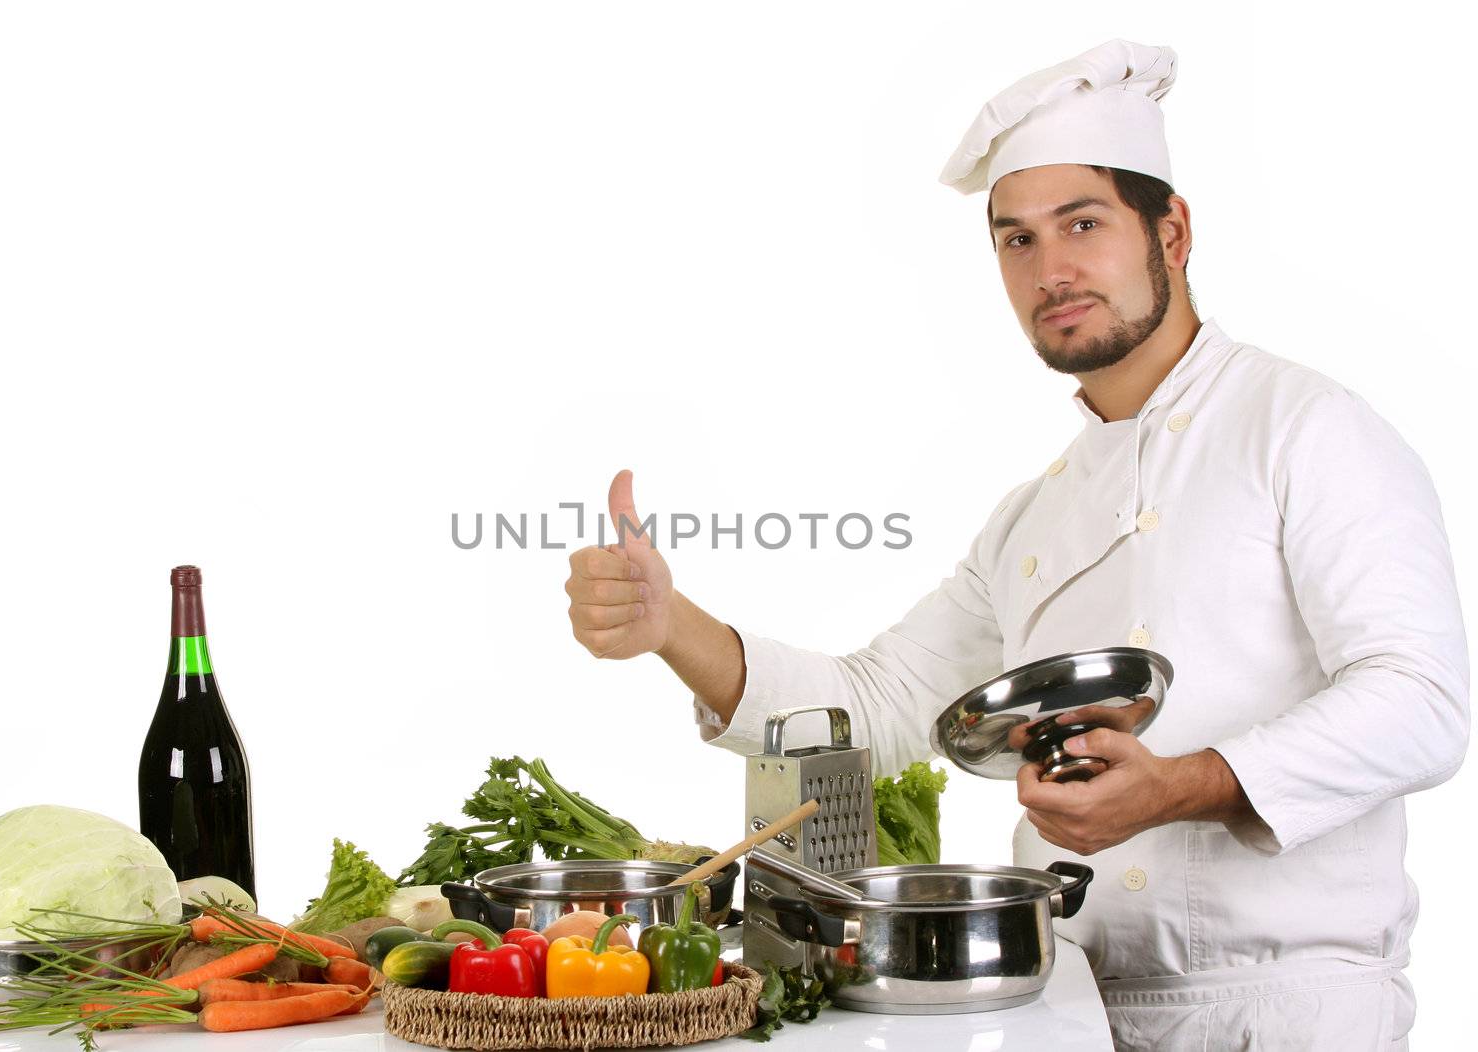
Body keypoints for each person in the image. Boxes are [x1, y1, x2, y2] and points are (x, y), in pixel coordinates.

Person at [563, 38, 1468, 1051]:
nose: (1052, 270)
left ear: (1171, 231)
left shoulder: (1306, 428)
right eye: (1016, 240)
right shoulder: (1030, 517)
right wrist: (666, 623)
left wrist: (1182, 782)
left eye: (1082, 224)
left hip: (1285, 1010)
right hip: (1063, 1001)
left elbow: (1422, 701)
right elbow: (874, 704)